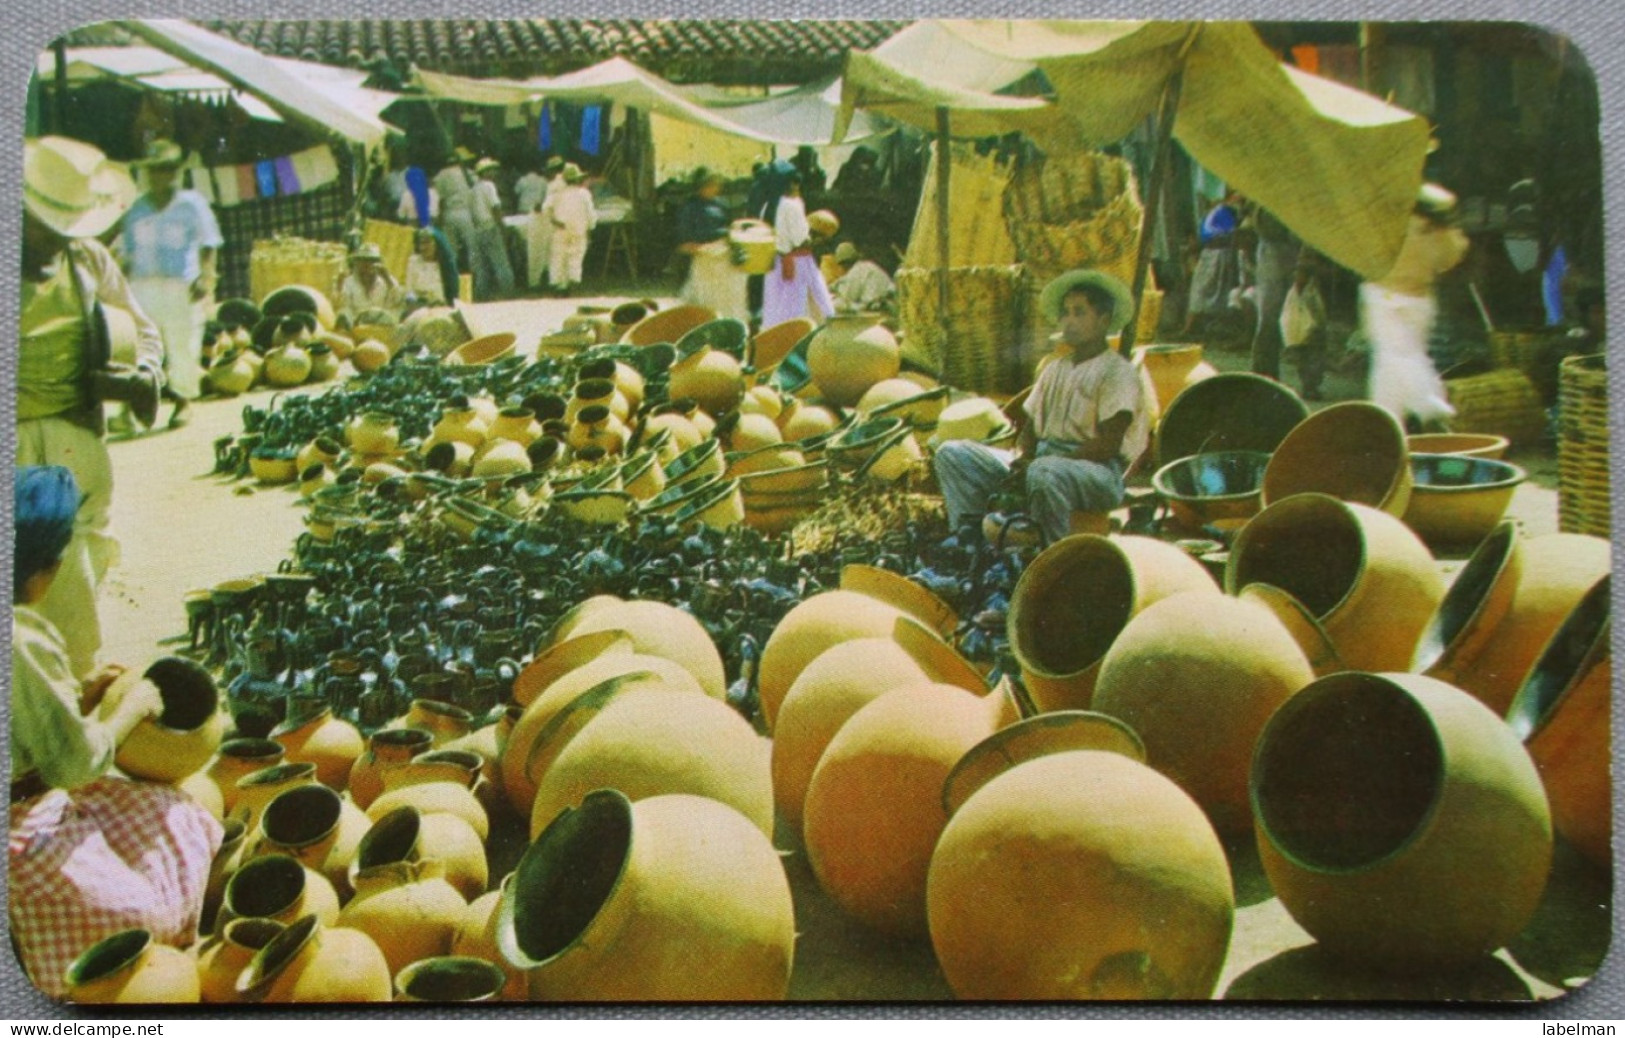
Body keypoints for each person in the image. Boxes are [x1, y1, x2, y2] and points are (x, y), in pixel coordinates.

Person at [10, 466, 224, 1000]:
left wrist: (78, 704)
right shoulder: (21, 636)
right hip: (20, 828)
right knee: (147, 914)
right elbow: (74, 767)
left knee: (165, 813)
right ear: (47, 565)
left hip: (27, 801)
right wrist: (131, 707)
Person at [20, 136, 165, 681]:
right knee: (34, 577)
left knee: (80, 564)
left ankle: (70, 684)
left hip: (77, 438)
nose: (56, 237)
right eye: (46, 225)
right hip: (15, 444)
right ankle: (62, 689)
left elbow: (143, 330)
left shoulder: (87, 260)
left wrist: (145, 371)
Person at [934, 270, 1149, 545]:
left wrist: (1040, 465)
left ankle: (1048, 554)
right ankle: (970, 541)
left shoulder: (1117, 372)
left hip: (1095, 473)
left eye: (1079, 313)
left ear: (1104, 321)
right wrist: (1022, 460)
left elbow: (1108, 444)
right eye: (1065, 313)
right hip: (1044, 462)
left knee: (1044, 472)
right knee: (952, 454)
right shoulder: (1054, 369)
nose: (1068, 321)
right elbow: (1030, 430)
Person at [120, 138, 221, 430]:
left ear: (176, 171)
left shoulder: (192, 205)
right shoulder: (136, 209)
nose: (162, 175)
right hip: (142, 285)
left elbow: (209, 243)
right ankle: (131, 409)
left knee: (182, 345)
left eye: (167, 169)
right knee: (139, 346)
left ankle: (182, 402)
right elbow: (128, 252)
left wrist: (206, 276)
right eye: (155, 169)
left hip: (180, 285)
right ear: (147, 173)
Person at [1364, 183, 1470, 430]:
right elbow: (1450, 259)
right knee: (1393, 363)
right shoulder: (1442, 232)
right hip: (1419, 299)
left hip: (1384, 295)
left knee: (1396, 357)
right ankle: (1387, 426)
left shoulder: (1392, 223)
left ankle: (1427, 403)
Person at [434, 149, 514, 301]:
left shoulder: (441, 175)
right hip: (467, 215)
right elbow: (493, 206)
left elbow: (440, 199)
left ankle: (455, 289)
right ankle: (487, 289)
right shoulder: (470, 176)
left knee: (452, 255)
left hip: (450, 215)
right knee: (476, 256)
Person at [762, 173, 835, 328]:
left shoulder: (769, 204)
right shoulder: (793, 204)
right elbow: (799, 239)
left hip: (777, 260)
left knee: (779, 305)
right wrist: (816, 238)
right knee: (808, 302)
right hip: (797, 261)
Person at [675, 169, 747, 323]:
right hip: (705, 257)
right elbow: (684, 235)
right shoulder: (690, 207)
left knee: (728, 295)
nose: (716, 188)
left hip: (722, 253)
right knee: (707, 297)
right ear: (702, 186)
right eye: (712, 185)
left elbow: (727, 224)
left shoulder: (718, 204)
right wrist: (692, 246)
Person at [1182, 191, 1243, 341]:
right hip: (1209, 253)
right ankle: (1189, 328)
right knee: (1199, 289)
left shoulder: (1231, 211)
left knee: (1219, 293)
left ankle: (1210, 330)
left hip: (1222, 253)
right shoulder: (1219, 210)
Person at [1280, 250, 1329, 400]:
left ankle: (1311, 386)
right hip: (1303, 330)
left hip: (1314, 329)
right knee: (1305, 360)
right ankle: (1309, 387)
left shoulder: (1313, 291)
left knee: (1314, 359)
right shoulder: (1295, 293)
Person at [545, 163, 596, 295]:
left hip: (561, 227)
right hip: (578, 229)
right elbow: (590, 214)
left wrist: (554, 221)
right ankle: (572, 283)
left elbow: (546, 209)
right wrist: (590, 228)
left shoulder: (557, 194)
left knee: (558, 256)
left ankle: (559, 285)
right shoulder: (584, 194)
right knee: (575, 256)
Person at [516, 156, 563, 291]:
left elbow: (546, 205)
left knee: (538, 252)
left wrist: (538, 207)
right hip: (555, 221)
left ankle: (536, 283)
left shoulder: (554, 185)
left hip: (548, 221)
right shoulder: (557, 183)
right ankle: (554, 282)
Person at [335, 243, 405, 330]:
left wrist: (388, 280)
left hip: (382, 325)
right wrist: (339, 286)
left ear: (378, 264)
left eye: (370, 261)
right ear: (356, 264)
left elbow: (398, 301)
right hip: (356, 326)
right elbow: (340, 305)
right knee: (342, 315)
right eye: (362, 261)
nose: (366, 266)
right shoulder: (349, 282)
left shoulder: (387, 280)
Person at [829, 241, 896, 315]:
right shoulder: (869, 265)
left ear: (844, 263)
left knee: (837, 304)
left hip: (874, 310)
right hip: (892, 307)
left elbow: (847, 297)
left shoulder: (856, 271)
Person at [404, 228, 448, 309]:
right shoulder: (413, 261)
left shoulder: (445, 264)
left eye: (428, 243)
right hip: (418, 307)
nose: (424, 247)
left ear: (436, 244)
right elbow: (409, 290)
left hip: (440, 307)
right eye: (421, 243)